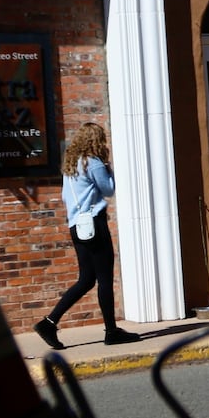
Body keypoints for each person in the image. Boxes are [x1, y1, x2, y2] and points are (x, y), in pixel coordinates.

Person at [34, 122, 140, 349]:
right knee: (104, 280)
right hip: (94, 225)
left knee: (86, 279)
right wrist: (108, 167)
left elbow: (65, 197)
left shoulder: (71, 164)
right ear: (96, 141)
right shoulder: (93, 162)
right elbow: (109, 189)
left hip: (76, 226)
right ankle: (111, 332)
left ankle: (49, 323)